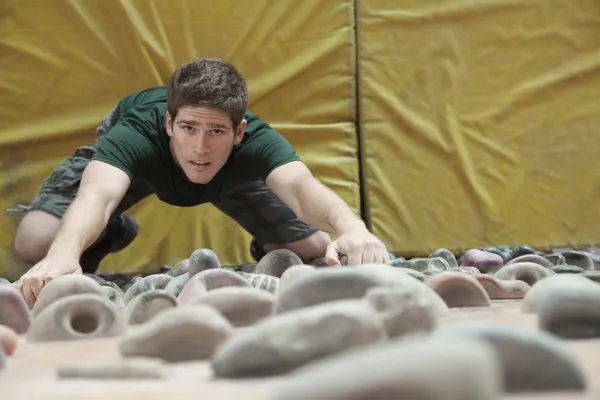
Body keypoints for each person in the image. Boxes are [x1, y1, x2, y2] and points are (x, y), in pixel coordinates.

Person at [11, 58, 390, 306]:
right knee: (37, 241)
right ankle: (107, 234)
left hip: (230, 178)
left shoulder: (256, 140)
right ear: (170, 124)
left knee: (314, 248)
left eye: (216, 131)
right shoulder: (136, 134)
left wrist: (353, 228)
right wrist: (63, 255)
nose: (200, 147)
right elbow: (99, 194)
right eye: (189, 128)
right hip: (145, 168)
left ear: (239, 131)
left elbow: (302, 190)